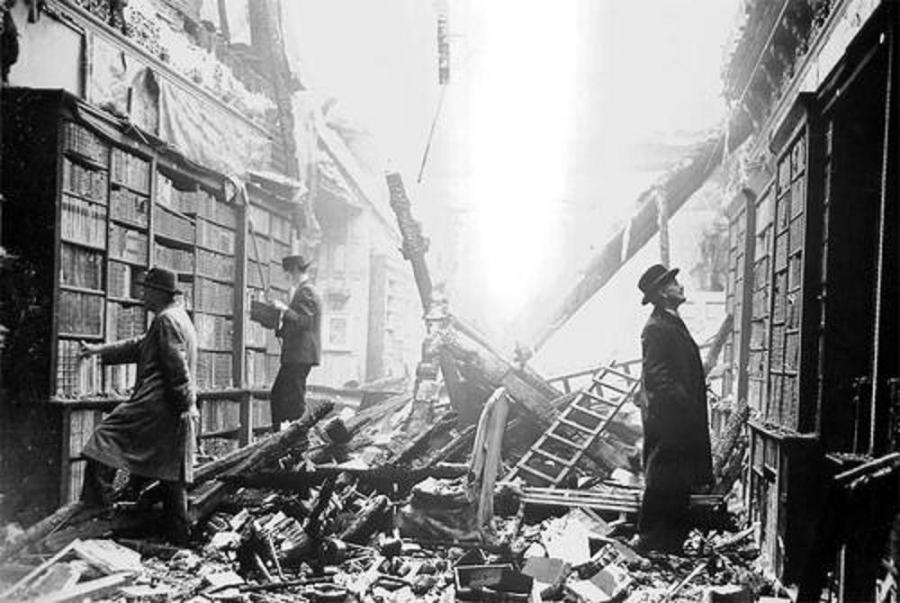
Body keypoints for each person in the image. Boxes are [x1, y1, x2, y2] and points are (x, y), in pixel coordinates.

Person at [78, 267, 198, 544]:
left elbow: (177, 366)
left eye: (146, 289)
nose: (142, 294)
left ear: (159, 293)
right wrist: (98, 351)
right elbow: (139, 346)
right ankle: (180, 540)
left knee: (104, 438)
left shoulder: (166, 320)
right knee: (172, 474)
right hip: (174, 410)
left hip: (157, 407)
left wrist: (184, 404)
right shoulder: (177, 317)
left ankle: (99, 508)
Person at [634, 264, 713, 554]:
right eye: (674, 283)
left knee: (677, 479)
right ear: (662, 293)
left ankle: (670, 543)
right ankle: (650, 539)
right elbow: (656, 374)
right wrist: (682, 402)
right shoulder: (655, 327)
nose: (680, 287)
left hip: (678, 417)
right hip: (668, 418)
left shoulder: (670, 321)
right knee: (662, 478)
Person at [269, 254, 321, 430]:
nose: (286, 278)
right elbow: (297, 323)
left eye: (287, 274)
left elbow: (306, 322)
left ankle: (293, 437)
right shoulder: (304, 291)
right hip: (297, 355)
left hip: (300, 355)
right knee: (282, 396)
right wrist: (279, 327)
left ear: (295, 271)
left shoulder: (306, 291)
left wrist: (283, 308)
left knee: (291, 398)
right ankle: (284, 436)